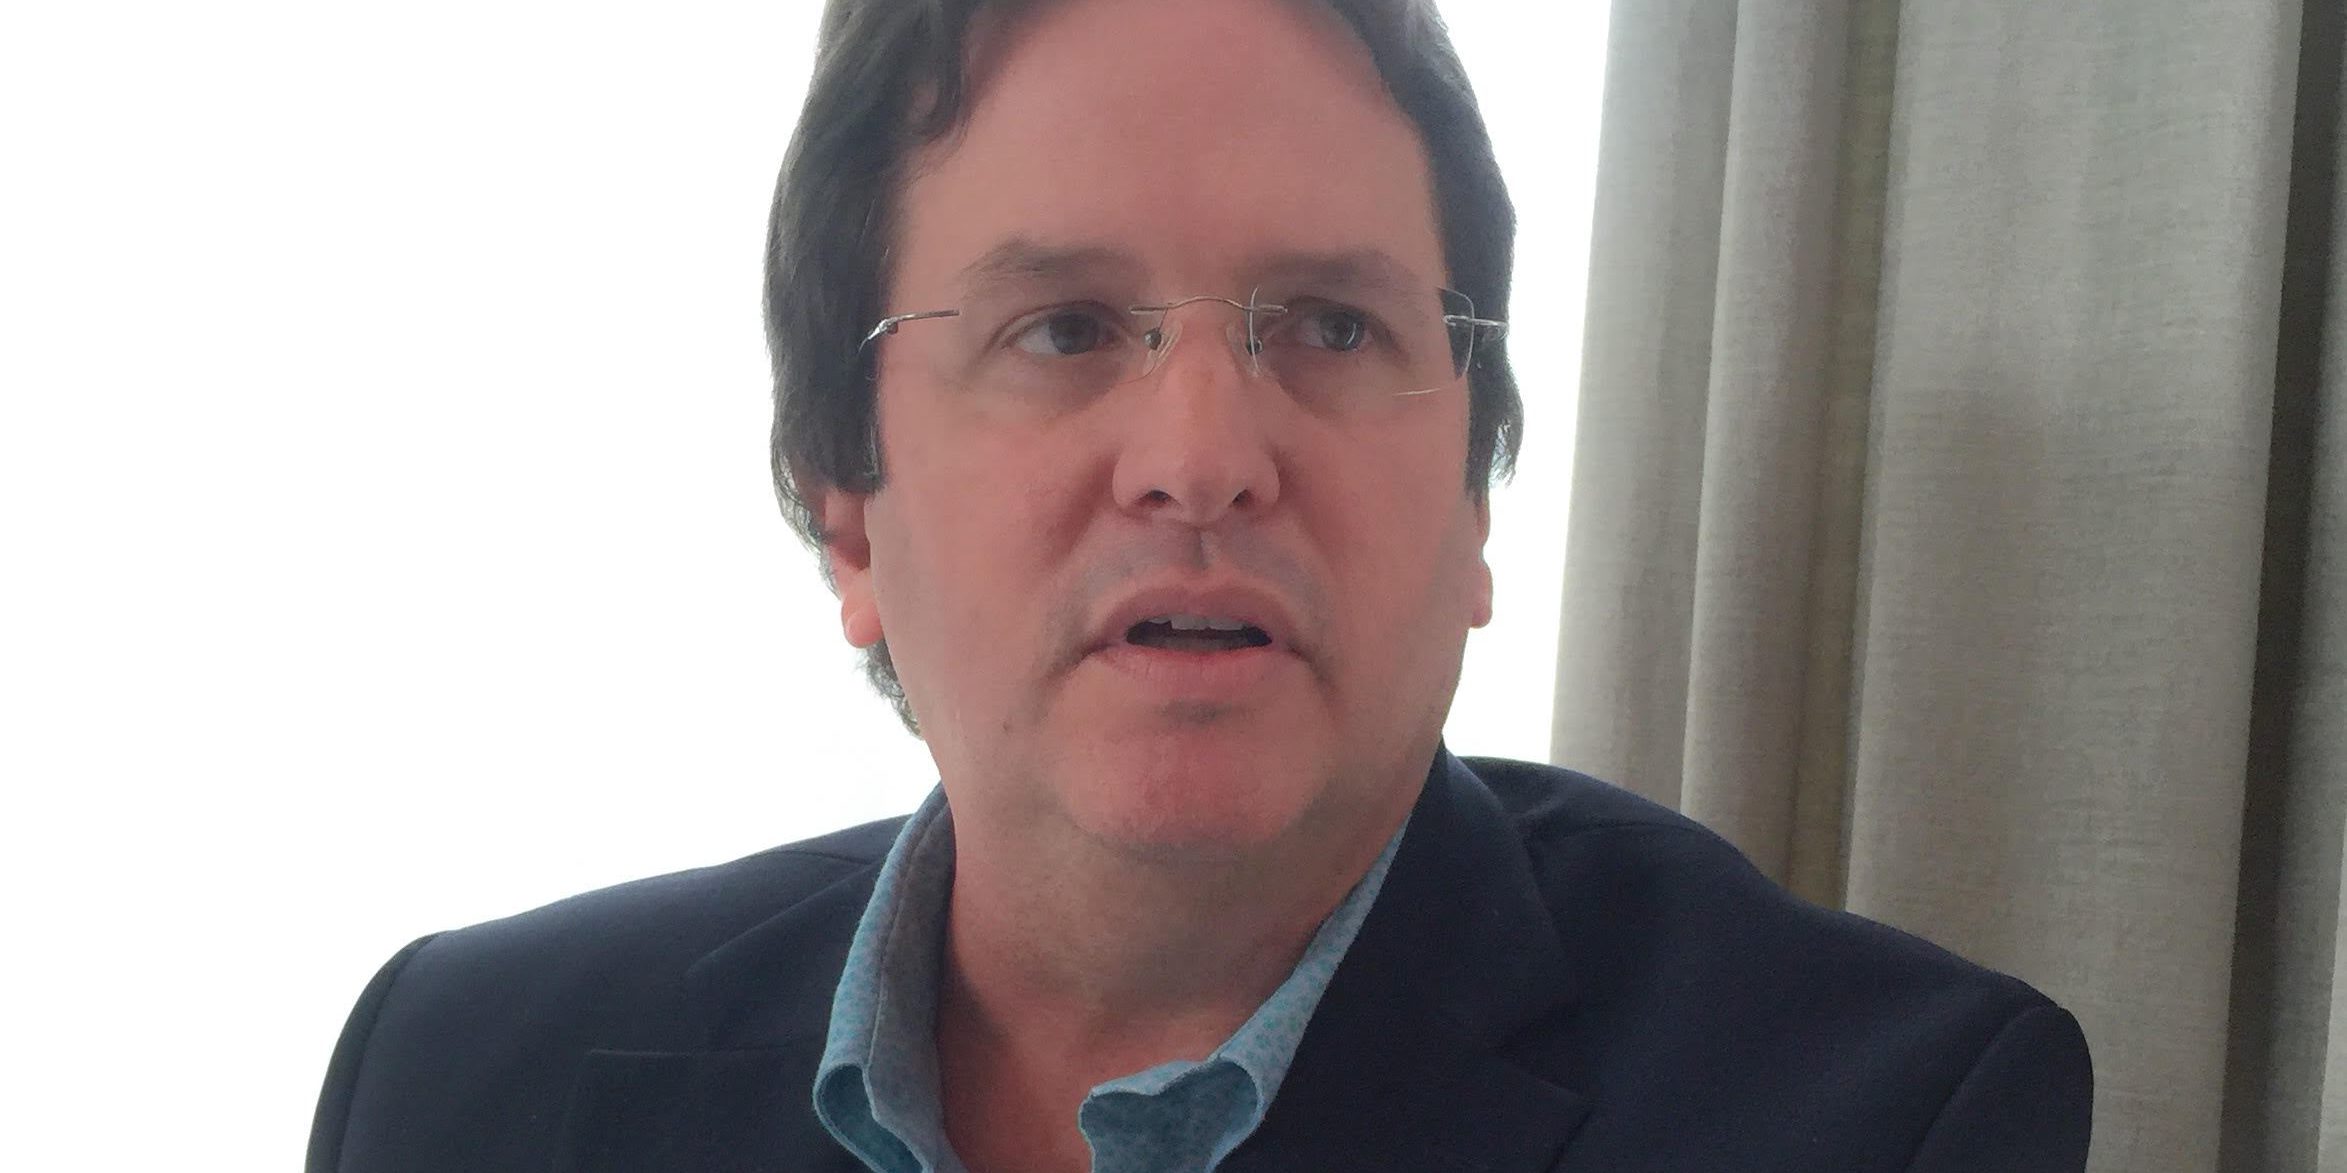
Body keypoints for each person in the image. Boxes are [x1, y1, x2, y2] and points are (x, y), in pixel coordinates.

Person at [305, 0, 2094, 1169]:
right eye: (1066, 328)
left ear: (1475, 506)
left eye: (1333, 325)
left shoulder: (1882, 1118)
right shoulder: (465, 1078)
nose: (1205, 451)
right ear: (848, 513)